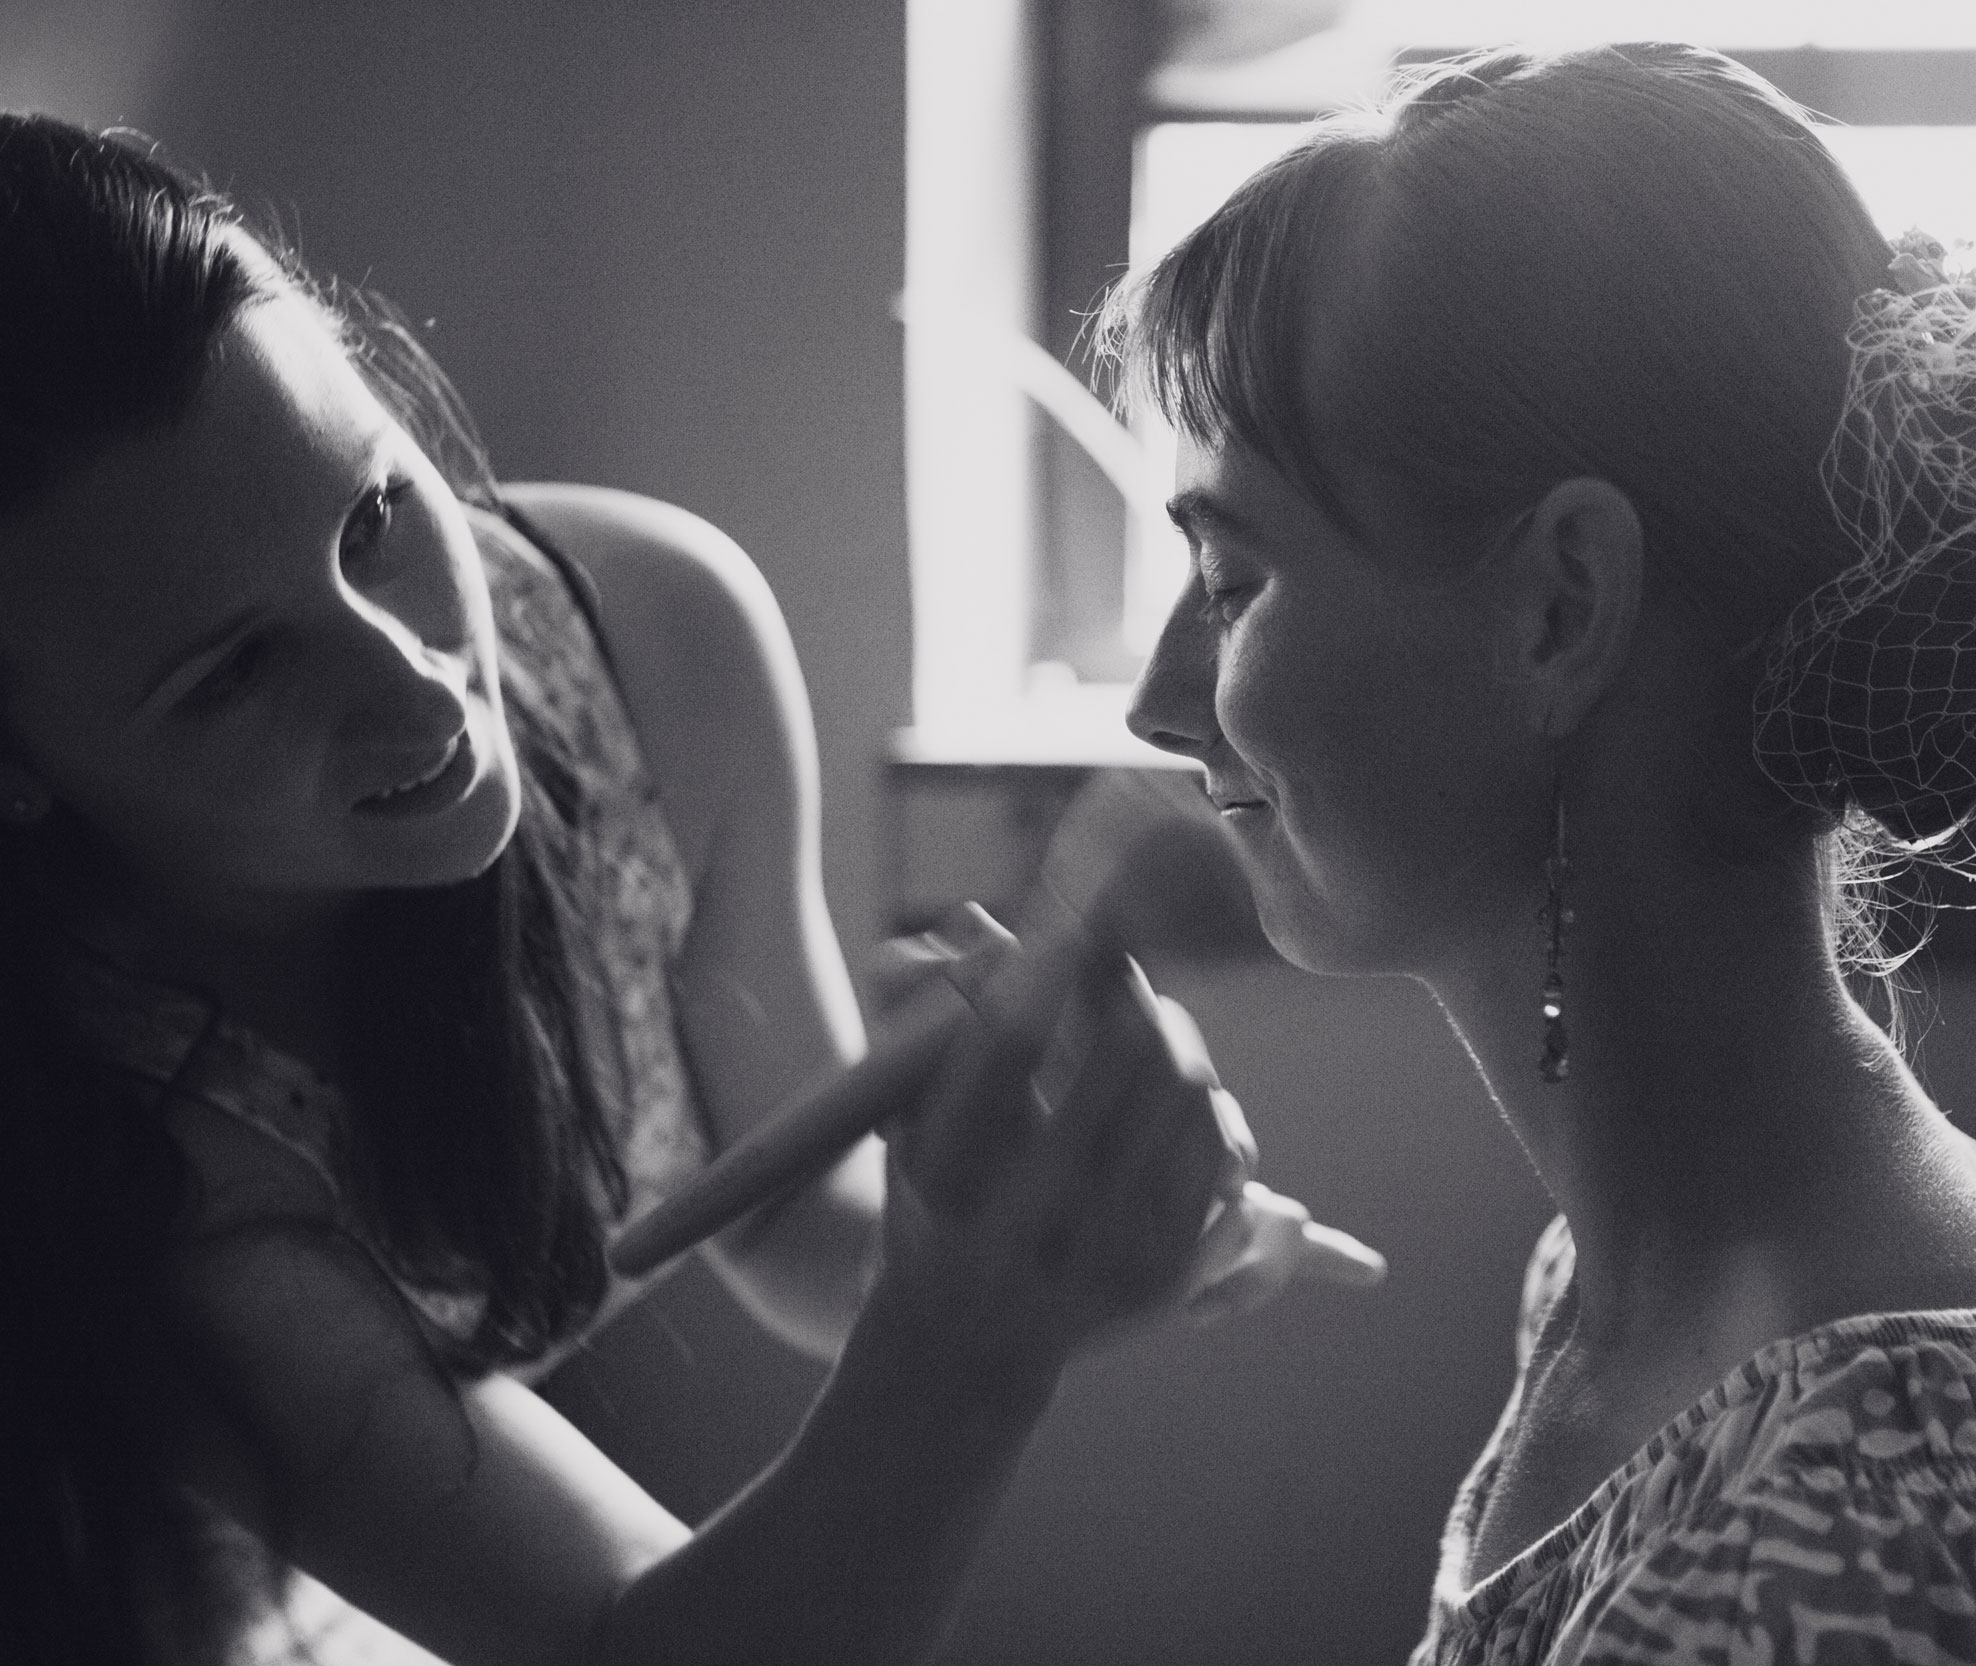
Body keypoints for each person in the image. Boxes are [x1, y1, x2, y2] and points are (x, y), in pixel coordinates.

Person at [0, 113, 1359, 1665]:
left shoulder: (650, 637)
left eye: (374, 515)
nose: (420, 687)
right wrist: (974, 1330)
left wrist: (1005, 1224)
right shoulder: (115, 1152)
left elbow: (790, 1213)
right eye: (234, 672)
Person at [1113, 44, 1976, 1666]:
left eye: (1232, 583)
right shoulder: (1642, 1265)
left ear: (1561, 609)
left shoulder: (1842, 1554)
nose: (1160, 704)